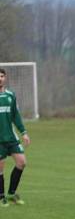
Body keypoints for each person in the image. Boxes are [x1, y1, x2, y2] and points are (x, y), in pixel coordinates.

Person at [0, 68, 30, 207]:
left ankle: (11, 194)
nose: (0, 78)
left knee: (21, 162)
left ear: (5, 78)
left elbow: (15, 116)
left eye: (1, 76)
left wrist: (23, 132)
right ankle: (1, 198)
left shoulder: (11, 95)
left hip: (11, 138)